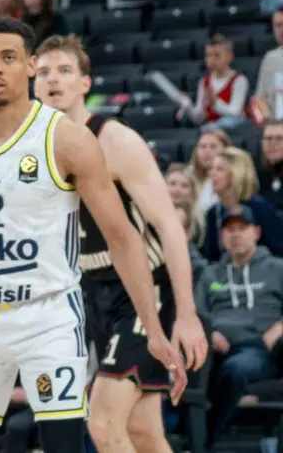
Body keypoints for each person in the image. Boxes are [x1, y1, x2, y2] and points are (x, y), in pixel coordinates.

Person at [0, 18, 180, 452]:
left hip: (47, 314)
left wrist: (154, 328)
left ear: (30, 66)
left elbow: (122, 237)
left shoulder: (67, 140)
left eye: (9, 58)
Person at [32, 36, 208, 453]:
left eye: (64, 71)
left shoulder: (114, 139)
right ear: (31, 83)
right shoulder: (34, 147)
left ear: (85, 84)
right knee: (145, 434)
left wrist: (186, 314)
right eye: (43, 72)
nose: (53, 79)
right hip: (90, 290)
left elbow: (168, 226)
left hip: (144, 288)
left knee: (104, 423)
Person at [202, 205, 283, 440]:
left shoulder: (277, 268)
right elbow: (196, 312)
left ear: (256, 232)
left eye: (242, 228)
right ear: (221, 236)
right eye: (230, 229)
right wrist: (210, 332)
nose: (236, 234)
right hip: (212, 348)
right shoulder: (211, 273)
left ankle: (207, 437)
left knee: (235, 370)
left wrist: (279, 327)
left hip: (256, 347)